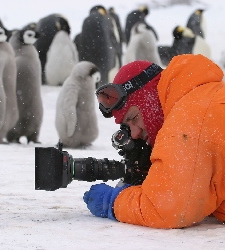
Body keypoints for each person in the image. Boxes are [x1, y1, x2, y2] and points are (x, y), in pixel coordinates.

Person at [83, 54, 225, 229]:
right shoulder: (202, 99)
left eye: (134, 117)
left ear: (148, 97)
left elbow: (167, 208)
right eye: (127, 126)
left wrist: (114, 201)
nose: (134, 133)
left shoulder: (188, 117)